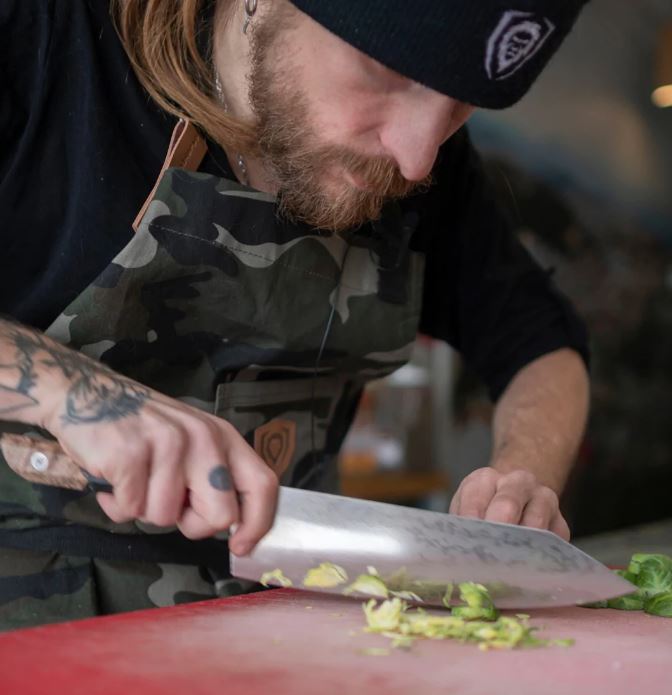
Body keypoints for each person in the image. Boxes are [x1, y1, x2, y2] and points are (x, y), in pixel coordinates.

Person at [0, 0, 590, 629]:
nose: (417, 158)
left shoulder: (422, 161)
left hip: (285, 629)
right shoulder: (40, 38)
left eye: (461, 106)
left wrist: (519, 477)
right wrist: (72, 390)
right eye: (387, 73)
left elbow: (539, 341)